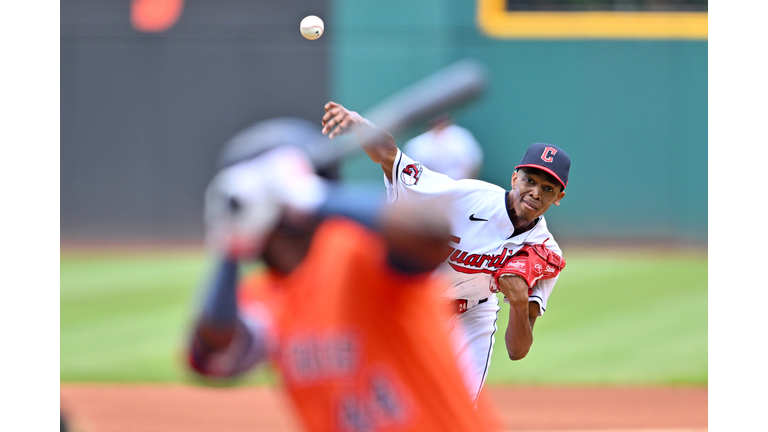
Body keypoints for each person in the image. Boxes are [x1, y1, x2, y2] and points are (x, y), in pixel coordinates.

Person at [185, 117, 501, 432]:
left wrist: (312, 197)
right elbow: (212, 356)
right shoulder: (267, 296)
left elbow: (433, 234)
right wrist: (229, 244)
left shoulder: (359, 253)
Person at [321, 101, 570, 404]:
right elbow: (390, 157)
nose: (535, 192)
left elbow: (517, 351)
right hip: (417, 304)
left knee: (458, 411)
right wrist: (359, 124)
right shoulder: (464, 196)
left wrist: (518, 303)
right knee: (391, 402)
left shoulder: (545, 254)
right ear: (514, 177)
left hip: (474, 315)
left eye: (548, 188)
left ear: (559, 197)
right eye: (530, 180)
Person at [401, 113, 483, 180]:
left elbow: (473, 165)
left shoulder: (462, 136)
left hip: (461, 189)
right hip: (431, 192)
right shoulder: (416, 144)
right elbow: (412, 175)